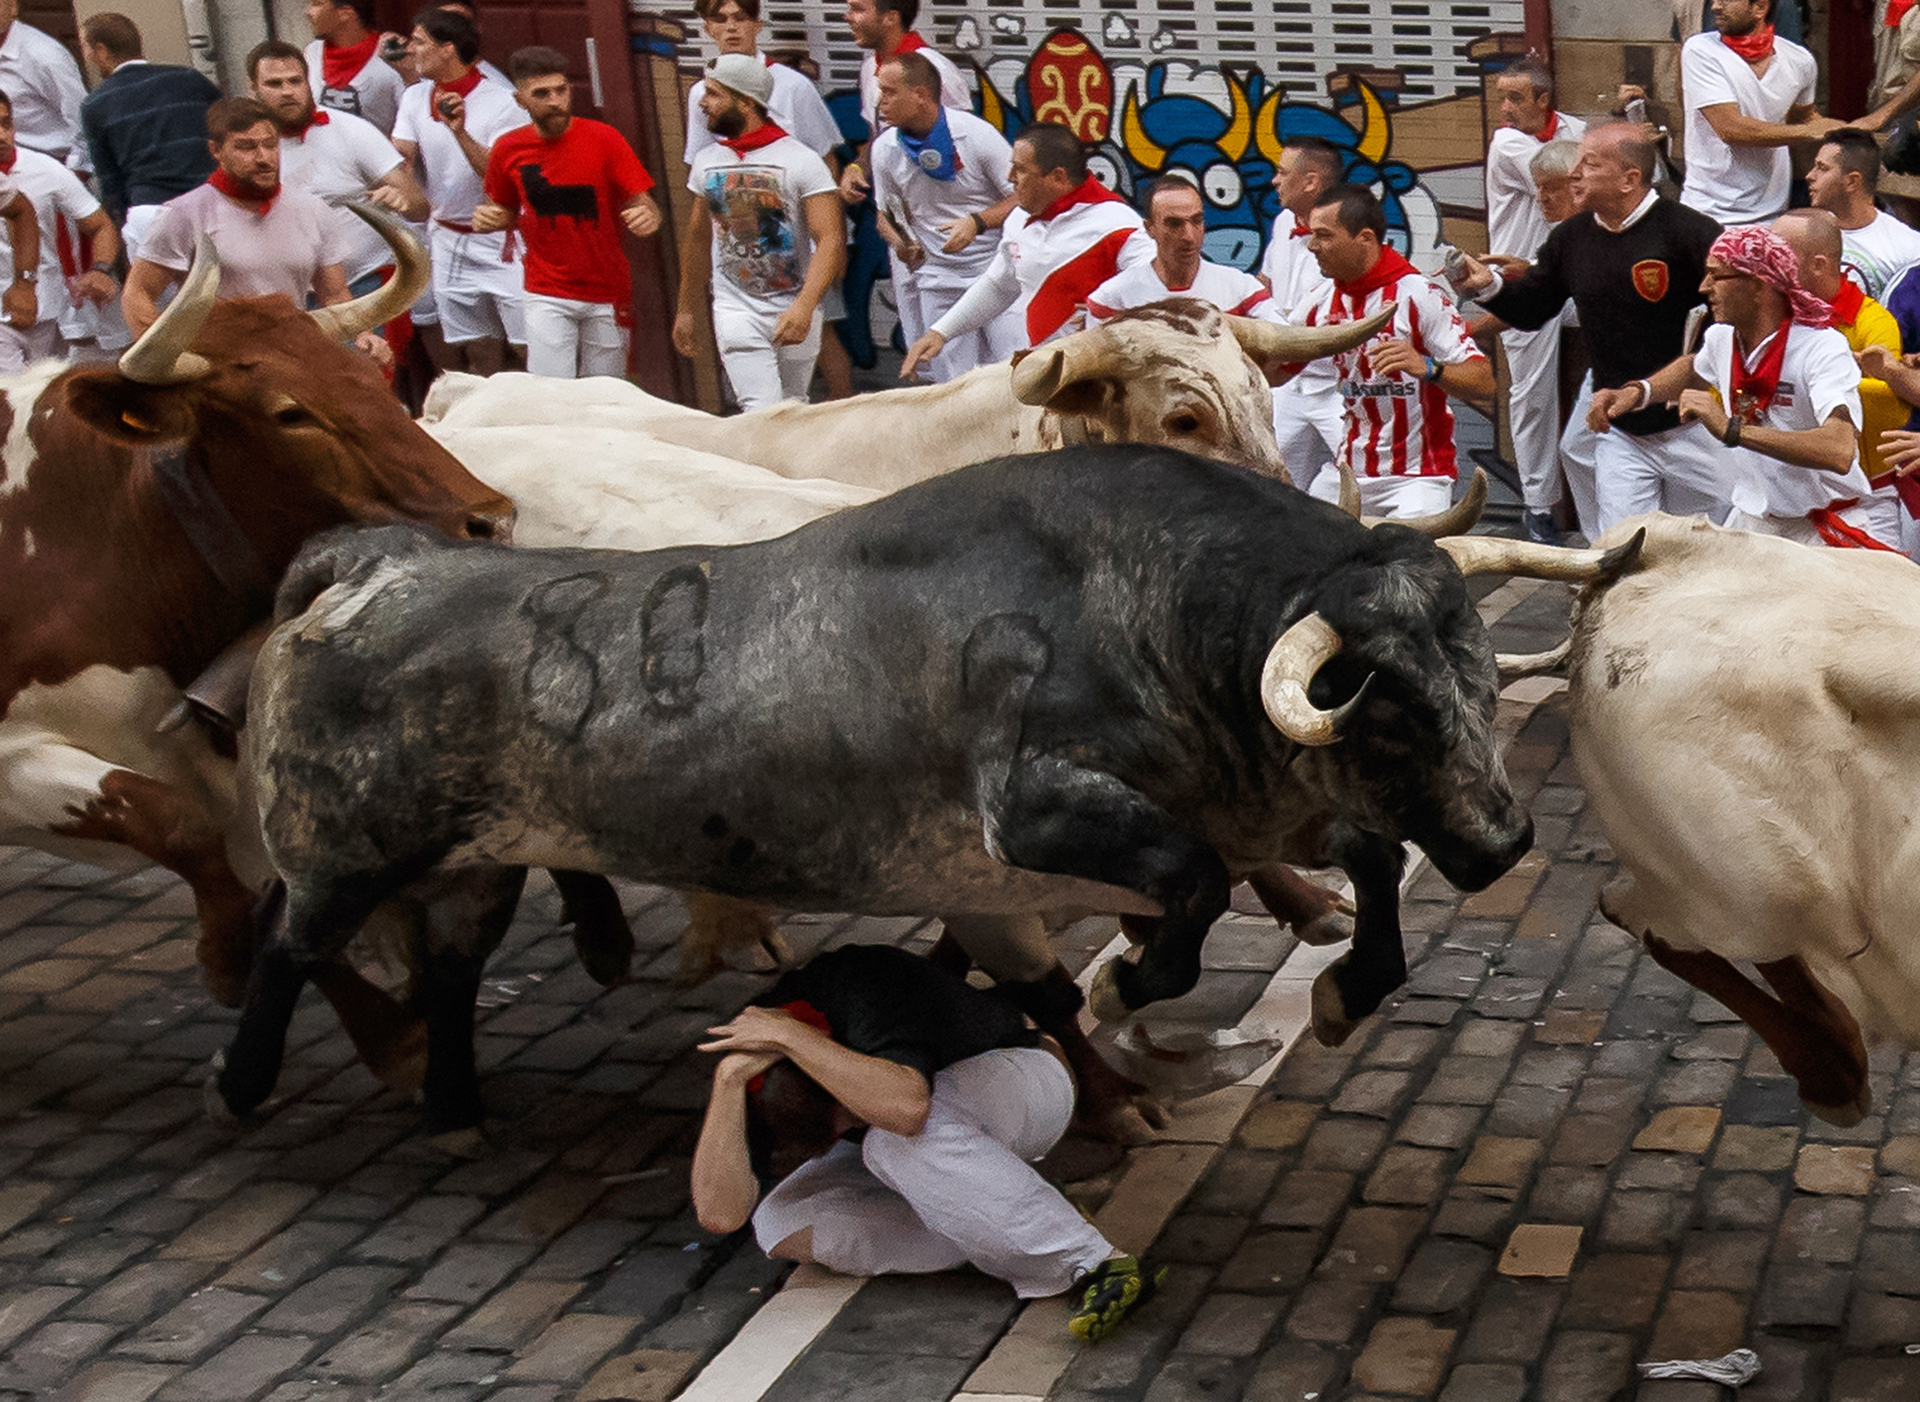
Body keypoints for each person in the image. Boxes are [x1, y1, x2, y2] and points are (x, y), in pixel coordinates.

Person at [691, 943, 1159, 1343]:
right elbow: (721, 1214)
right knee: (780, 1221)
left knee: (894, 1140)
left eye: (845, 1117)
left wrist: (793, 1037)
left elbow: (907, 1109)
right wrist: (727, 1082)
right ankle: (1013, 1217)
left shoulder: (861, 985)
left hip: (1025, 1078)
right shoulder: (757, 1069)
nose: (846, 1128)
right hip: (923, 1134)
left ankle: (1095, 1262)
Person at [1458, 121, 1724, 532]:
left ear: (1629, 179)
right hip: (1621, 432)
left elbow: (1730, 326)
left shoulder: (1693, 233)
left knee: (1710, 549)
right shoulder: (1571, 238)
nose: (1574, 172)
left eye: (1589, 163)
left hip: (1696, 427)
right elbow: (1532, 310)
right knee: (1624, 549)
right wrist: (1488, 287)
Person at [1604, 226, 1894, 548]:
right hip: (1752, 523)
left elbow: (1839, 450)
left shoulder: (1822, 348)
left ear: (1758, 285)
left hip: (1822, 530)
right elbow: (1693, 369)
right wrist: (1639, 392)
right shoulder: (1721, 338)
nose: (1704, 287)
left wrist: (1731, 429)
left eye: (1717, 276)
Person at [124, 97, 387, 370]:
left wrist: (363, 336)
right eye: (246, 147)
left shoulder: (313, 210)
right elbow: (138, 292)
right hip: (220, 369)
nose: (263, 158)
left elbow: (334, 296)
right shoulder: (183, 215)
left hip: (294, 360)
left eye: (270, 145)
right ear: (216, 150)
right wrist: (161, 358)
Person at [1289, 183, 1493, 518]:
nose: (1312, 246)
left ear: (1366, 239)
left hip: (1417, 478)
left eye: (1324, 235)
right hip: (1347, 471)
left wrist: (1428, 367)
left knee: (1408, 562)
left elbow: (1485, 381)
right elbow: (1275, 369)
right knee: (1303, 547)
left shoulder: (1420, 295)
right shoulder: (1318, 301)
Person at [901, 123, 1151, 379]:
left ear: (1058, 177)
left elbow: (1158, 288)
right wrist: (940, 332)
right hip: (1041, 373)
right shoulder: (1018, 218)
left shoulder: (1120, 225)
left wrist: (1111, 315)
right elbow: (999, 285)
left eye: (1020, 169)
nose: (1010, 177)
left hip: (1099, 379)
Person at [474, 46, 661, 379]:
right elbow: (503, 208)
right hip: (546, 289)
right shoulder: (508, 148)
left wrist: (648, 216)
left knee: (606, 393)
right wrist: (489, 218)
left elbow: (642, 202)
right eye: (542, 93)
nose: (554, 100)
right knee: (550, 392)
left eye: (561, 90)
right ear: (520, 100)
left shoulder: (605, 138)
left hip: (606, 289)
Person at [675, 53, 844, 410]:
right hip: (735, 307)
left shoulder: (801, 160)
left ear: (746, 101)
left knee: (794, 405)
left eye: (713, 94)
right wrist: (687, 308)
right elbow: (697, 237)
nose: (703, 103)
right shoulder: (708, 160)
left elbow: (829, 238)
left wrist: (805, 306)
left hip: (795, 303)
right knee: (761, 410)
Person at [392, 6, 530, 375]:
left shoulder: (503, 102)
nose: (411, 50)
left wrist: (460, 132)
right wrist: (393, 182)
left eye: (420, 42)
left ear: (447, 49)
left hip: (503, 240)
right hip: (448, 237)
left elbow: (501, 175)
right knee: (477, 347)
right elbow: (399, 155)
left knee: (526, 345)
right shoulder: (414, 98)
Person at [868, 50, 1019, 380]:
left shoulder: (976, 135)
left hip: (997, 274)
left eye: (890, 92)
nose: (881, 102)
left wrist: (977, 222)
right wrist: (901, 242)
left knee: (1012, 374)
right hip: (937, 279)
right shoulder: (884, 149)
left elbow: (1024, 197)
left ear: (920, 95)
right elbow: (887, 213)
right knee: (954, 383)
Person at [1486, 58, 1588, 543]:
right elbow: (1572, 180)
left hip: (1579, 266)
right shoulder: (1507, 143)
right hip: (1523, 279)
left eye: (1515, 98)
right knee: (1532, 395)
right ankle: (1538, 507)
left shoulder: (1573, 129)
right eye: (1500, 97)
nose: (1504, 108)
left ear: (1544, 100)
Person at [842, 0, 971, 364]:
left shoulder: (934, 67)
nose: (847, 17)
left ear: (890, 17)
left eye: (857, 8)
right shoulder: (871, 67)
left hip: (943, 224)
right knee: (916, 330)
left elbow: (962, 140)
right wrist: (856, 167)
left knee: (952, 336)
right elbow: (875, 136)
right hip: (898, 225)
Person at [1775, 208, 1913, 546]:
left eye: (1779, 253)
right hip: (1784, 498)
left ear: (1819, 264)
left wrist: (1803, 382)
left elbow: (1884, 407)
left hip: (1866, 498)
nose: (1768, 263)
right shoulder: (1770, 317)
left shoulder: (1872, 323)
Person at [250, 40, 427, 297]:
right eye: (274, 84)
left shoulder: (351, 130)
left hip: (366, 287)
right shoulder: (246, 146)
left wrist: (400, 200)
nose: (287, 91)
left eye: (295, 81)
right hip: (288, 296)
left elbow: (419, 207)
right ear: (253, 87)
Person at [1678, 0, 1836, 228]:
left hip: (1773, 215)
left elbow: (1803, 117)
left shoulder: (1800, 60)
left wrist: (1845, 131)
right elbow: (1731, 129)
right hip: (1709, 215)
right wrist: (1810, 131)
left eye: (1726, 0)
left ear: (1760, 8)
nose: (1715, 6)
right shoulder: (1700, 50)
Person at [78, 13, 220, 262]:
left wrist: (118, 245)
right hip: (209, 205)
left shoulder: (97, 104)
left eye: (86, 48)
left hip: (151, 212)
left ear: (101, 51)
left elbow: (110, 181)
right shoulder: (191, 79)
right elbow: (229, 128)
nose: (87, 57)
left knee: (157, 299)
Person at [0, 86, 115, 370]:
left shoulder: (45, 169)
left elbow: (100, 224)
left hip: (46, 313)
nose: (2, 136)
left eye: (5, 123)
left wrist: (100, 269)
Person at [1259, 134, 1343, 488]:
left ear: (1310, 182)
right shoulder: (1282, 223)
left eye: (1281, 172)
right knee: (1265, 473)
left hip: (1340, 386)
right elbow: (1265, 282)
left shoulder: (1350, 233)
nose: (1274, 180)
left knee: (1364, 472)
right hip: (1287, 383)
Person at [1088, 175, 1281, 323]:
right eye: (1174, 224)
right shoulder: (1112, 298)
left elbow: (1284, 347)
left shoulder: (1243, 290)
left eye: (1196, 221)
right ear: (1150, 228)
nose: (1189, 236)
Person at [1803, 128, 1920, 302]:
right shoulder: (1802, 234)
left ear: (1852, 181)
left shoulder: (1910, 248)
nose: (1809, 176)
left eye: (1822, 168)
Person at [0, 0, 85, 170]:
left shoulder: (44, 55)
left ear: (13, 7)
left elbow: (84, 120)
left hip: (49, 170)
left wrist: (75, 175)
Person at [304, 0, 408, 137]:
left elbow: (412, 122)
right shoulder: (312, 53)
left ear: (345, 13)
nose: (307, 12)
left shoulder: (391, 56)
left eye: (317, 4)